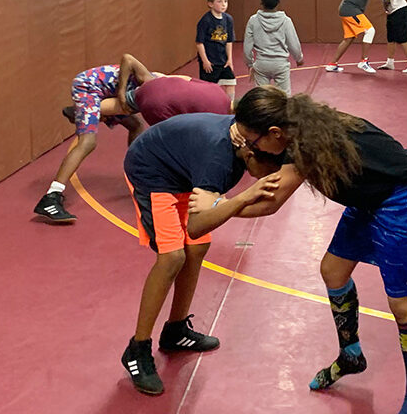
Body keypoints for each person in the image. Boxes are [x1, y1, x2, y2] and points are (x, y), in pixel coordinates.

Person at [184, 86, 407, 414]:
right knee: (333, 271)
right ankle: (351, 354)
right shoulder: (295, 126)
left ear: (274, 133)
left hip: (403, 198)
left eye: (251, 140)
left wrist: (218, 205)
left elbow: (270, 204)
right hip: (369, 199)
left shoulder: (305, 147)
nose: (247, 146)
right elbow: (266, 173)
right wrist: (248, 153)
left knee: (402, 305)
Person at [120, 113, 281, 396]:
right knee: (172, 257)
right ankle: (137, 349)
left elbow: (206, 218)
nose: (267, 177)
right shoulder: (218, 162)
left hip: (181, 169)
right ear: (250, 151)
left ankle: (175, 331)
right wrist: (242, 197)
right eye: (267, 169)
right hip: (152, 170)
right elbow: (198, 224)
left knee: (197, 248)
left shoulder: (240, 143)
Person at [34, 54, 152, 223]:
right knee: (88, 142)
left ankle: (136, 175)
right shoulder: (150, 82)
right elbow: (128, 59)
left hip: (103, 92)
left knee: (135, 125)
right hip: (88, 87)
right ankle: (51, 196)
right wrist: (120, 92)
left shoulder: (157, 90)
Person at [244, 0, 304, 96]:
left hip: (262, 63)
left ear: (261, 2)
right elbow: (293, 43)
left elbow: (247, 46)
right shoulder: (286, 21)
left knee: (261, 97)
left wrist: (250, 64)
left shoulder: (253, 20)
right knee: (284, 97)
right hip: (280, 64)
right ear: (278, 2)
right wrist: (299, 58)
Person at [326, 0, 379, 74]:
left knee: (348, 39)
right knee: (370, 30)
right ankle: (363, 61)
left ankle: (332, 64)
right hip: (350, 10)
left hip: (346, 10)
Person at [196, 0, 237, 101]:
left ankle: (230, 105)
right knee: (210, 88)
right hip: (211, 62)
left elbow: (229, 41)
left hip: (223, 60)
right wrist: (205, 61)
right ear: (210, 4)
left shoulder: (228, 19)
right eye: (219, 1)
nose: (223, 4)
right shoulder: (205, 21)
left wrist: (230, 60)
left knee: (231, 82)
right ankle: (210, 106)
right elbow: (200, 43)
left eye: (225, 1)